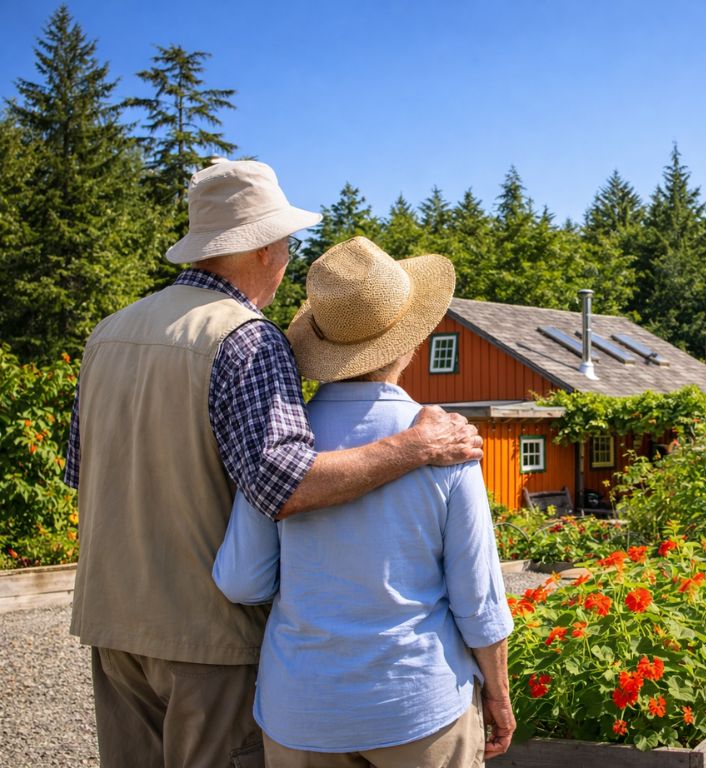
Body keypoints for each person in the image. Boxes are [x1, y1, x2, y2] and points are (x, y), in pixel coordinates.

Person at [64, 161, 482, 767]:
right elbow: (284, 485)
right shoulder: (248, 339)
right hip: (205, 636)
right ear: (261, 249)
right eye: (285, 241)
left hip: (111, 624)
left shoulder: (108, 334)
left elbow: (84, 473)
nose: (288, 256)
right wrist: (417, 447)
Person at [213, 236, 516, 766]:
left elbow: (243, 580)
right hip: (417, 703)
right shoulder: (445, 439)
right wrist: (498, 695)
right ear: (410, 342)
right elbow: (479, 600)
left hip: (301, 710)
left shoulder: (282, 443)